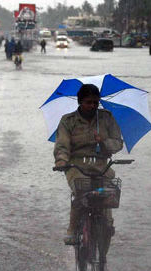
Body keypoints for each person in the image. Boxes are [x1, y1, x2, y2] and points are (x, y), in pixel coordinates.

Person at [54, 84, 123, 245]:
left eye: (95, 102)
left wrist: (104, 141)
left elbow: (118, 143)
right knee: (81, 192)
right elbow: (62, 145)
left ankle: (107, 223)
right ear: (80, 102)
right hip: (76, 167)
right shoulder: (67, 121)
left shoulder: (107, 118)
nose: (92, 106)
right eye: (88, 102)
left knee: (107, 194)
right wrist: (61, 160)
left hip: (102, 166)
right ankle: (72, 228)